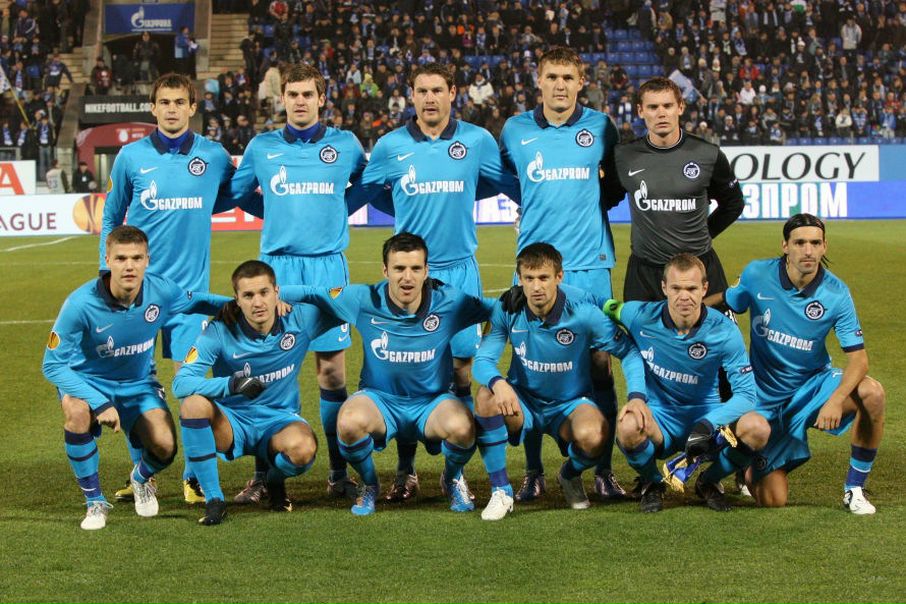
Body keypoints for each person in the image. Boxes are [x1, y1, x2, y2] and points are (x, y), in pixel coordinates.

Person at [360, 62, 519, 502]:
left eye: (437, 90)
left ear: (453, 93)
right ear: (410, 95)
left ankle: (455, 472)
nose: (430, 98)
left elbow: (503, 184)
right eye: (422, 91)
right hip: (410, 276)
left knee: (464, 370)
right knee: (406, 373)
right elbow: (364, 194)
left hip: (460, 273)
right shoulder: (391, 146)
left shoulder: (477, 140)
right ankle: (405, 471)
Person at [100, 72, 251, 505]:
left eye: (179, 102)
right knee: (135, 387)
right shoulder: (131, 157)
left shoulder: (213, 155)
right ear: (153, 107)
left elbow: (233, 194)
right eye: (164, 102)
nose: (171, 109)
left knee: (192, 387)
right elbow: (111, 217)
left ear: (192, 107)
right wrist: (107, 272)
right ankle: (142, 475)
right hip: (137, 296)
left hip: (189, 298)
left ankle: (194, 477)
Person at [230, 63, 373, 504]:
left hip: (328, 270)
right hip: (277, 272)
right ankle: (261, 475)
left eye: (308, 94)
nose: (299, 101)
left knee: (331, 372)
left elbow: (367, 184)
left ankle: (337, 472)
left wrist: (339, 208)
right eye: (292, 94)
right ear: (283, 99)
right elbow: (238, 193)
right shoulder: (262, 147)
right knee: (267, 371)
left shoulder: (345, 145)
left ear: (321, 98)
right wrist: (271, 211)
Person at [279, 233, 497, 516]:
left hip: (431, 403)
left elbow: (496, 310)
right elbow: (314, 293)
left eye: (415, 268)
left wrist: (522, 302)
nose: (407, 277)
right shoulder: (363, 298)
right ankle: (370, 484)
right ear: (385, 270)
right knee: (348, 422)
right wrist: (274, 294)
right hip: (380, 401)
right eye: (399, 268)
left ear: (426, 271)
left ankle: (453, 478)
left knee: (464, 427)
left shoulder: (450, 300)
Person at [498, 46, 626, 502]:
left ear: (580, 82)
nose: (559, 85)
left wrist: (588, 210)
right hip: (534, 269)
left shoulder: (601, 126)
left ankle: (603, 470)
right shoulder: (515, 129)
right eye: (551, 76)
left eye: (568, 78)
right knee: (528, 367)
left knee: (601, 367)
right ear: (539, 80)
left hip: (590, 265)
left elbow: (615, 186)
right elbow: (506, 180)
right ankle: (533, 471)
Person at [42, 225, 230, 530]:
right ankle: (95, 502)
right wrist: (99, 402)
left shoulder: (161, 290)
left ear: (147, 260)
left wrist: (245, 305)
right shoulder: (79, 304)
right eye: (121, 258)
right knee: (76, 413)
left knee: (165, 448)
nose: (129, 266)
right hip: (88, 382)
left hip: (139, 384)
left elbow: (199, 301)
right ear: (107, 260)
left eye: (136, 258)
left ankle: (140, 478)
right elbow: (52, 366)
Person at [716, 214, 885, 513]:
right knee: (772, 500)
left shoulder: (836, 293)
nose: (808, 250)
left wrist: (836, 399)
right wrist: (678, 310)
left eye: (815, 243)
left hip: (813, 388)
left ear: (824, 246)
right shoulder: (757, 274)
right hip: (764, 399)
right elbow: (727, 302)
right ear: (785, 246)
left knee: (872, 393)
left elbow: (859, 360)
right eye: (800, 243)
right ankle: (747, 464)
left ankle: (854, 489)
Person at [472, 243, 648, 520]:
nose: (536, 287)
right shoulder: (508, 309)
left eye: (543, 278)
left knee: (595, 435)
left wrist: (636, 396)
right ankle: (501, 491)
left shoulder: (584, 314)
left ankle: (569, 474)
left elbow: (629, 352)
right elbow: (482, 360)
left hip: (570, 405)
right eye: (529, 278)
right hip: (524, 402)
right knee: (486, 396)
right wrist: (498, 382)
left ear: (559, 277)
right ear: (519, 279)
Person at [173, 260, 342, 525]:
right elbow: (181, 383)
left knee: (304, 448)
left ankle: (274, 480)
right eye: (248, 295)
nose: (258, 302)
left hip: (279, 421)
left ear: (277, 292)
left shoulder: (300, 319)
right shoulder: (219, 330)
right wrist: (230, 385)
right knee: (192, 405)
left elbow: (348, 301)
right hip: (233, 423)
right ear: (237, 300)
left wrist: (292, 294)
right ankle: (214, 500)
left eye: (264, 292)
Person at [607, 253, 770, 512]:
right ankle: (654, 482)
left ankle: (709, 481)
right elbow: (601, 305)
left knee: (758, 428)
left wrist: (708, 423)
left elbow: (747, 394)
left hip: (706, 416)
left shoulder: (724, 331)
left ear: (704, 288)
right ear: (664, 288)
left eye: (692, 289)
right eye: (676, 288)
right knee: (627, 426)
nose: (684, 296)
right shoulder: (638, 315)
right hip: (660, 419)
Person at [612, 77, 744, 307]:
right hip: (645, 273)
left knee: (714, 331)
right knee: (642, 332)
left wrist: (705, 233)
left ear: (680, 107)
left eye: (668, 105)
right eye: (653, 107)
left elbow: (733, 203)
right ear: (640, 111)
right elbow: (606, 199)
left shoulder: (707, 154)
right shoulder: (623, 156)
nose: (661, 113)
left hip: (699, 267)